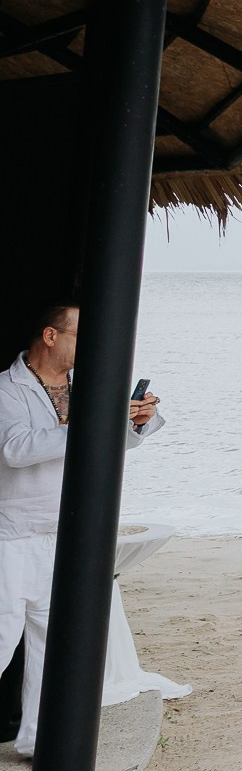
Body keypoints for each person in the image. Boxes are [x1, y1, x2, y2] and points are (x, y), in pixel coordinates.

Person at [0, 304, 162, 757]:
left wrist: (135, 421)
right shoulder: (5, 389)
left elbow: (110, 442)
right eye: (79, 335)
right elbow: (16, 448)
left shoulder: (87, 389)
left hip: (68, 534)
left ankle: (35, 739)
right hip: (11, 535)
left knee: (50, 647)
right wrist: (94, 422)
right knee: (0, 637)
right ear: (51, 336)